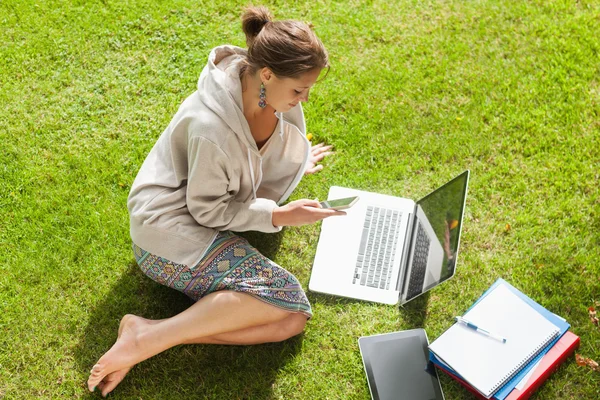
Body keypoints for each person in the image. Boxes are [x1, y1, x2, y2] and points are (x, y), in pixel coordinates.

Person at [87, 6, 343, 397]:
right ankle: (142, 337)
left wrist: (292, 158)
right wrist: (278, 214)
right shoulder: (212, 129)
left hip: (196, 222)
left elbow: (253, 154)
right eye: (298, 89)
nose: (304, 98)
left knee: (291, 321)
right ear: (268, 74)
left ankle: (153, 334)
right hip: (167, 234)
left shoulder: (268, 94)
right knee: (288, 301)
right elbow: (207, 209)